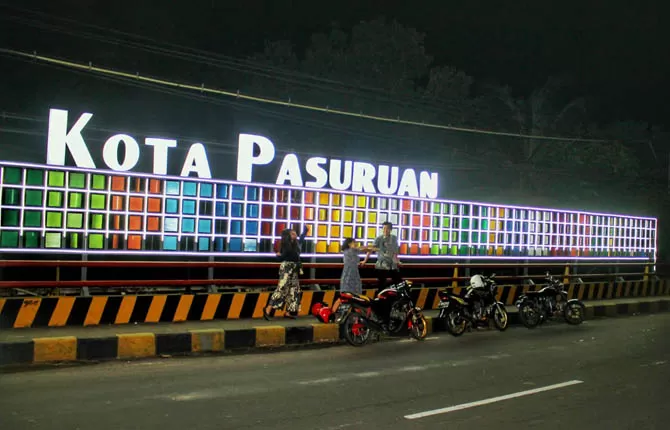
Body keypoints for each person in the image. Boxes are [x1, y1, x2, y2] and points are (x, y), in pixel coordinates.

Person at [264, 226, 308, 320]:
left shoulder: (296, 244)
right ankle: (268, 309)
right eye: (292, 233)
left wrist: (305, 230)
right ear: (288, 236)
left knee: (294, 290)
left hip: (294, 268)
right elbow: (281, 257)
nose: (295, 234)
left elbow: (302, 238)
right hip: (287, 268)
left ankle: (288, 311)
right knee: (281, 288)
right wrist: (277, 255)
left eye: (295, 232)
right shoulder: (285, 245)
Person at [331, 238, 375, 314]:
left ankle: (355, 314)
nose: (356, 243)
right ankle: (332, 312)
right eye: (354, 242)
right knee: (345, 295)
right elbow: (365, 249)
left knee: (355, 296)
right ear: (349, 244)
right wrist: (372, 248)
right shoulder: (349, 251)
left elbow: (367, 250)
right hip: (348, 275)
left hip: (354, 274)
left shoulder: (354, 251)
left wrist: (365, 259)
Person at [362, 221, 402, 293]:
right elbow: (370, 249)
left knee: (398, 282)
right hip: (382, 265)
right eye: (384, 228)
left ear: (390, 230)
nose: (385, 230)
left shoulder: (394, 238)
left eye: (387, 229)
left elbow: (395, 252)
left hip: (392, 264)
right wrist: (365, 260)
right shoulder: (379, 238)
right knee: (382, 284)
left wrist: (397, 261)